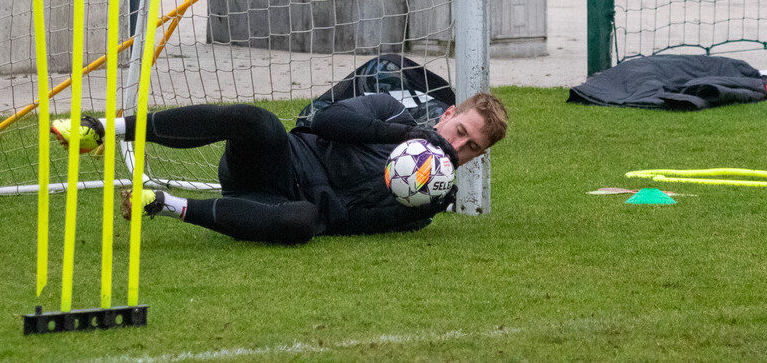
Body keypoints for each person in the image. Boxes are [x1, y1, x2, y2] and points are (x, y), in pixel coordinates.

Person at [50, 92, 508, 244]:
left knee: (305, 222)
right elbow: (321, 120)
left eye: (471, 147)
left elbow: (352, 224)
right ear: (447, 115)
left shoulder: (429, 202)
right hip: (278, 157)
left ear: (476, 157)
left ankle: (165, 204)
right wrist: (402, 140)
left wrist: (407, 202)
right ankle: (107, 129)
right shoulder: (391, 111)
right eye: (460, 129)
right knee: (258, 121)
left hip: (279, 205)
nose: (458, 144)